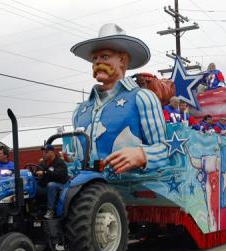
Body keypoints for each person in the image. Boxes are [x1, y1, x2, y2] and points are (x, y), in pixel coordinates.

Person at [70, 23, 168, 174]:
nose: (97, 62)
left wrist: (142, 154)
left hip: (133, 191)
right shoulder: (80, 110)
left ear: (122, 59)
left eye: (105, 56)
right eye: (94, 58)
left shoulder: (142, 98)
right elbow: (74, 157)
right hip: (89, 193)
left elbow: (165, 150)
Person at [35, 144, 69, 219]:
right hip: (45, 185)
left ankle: (51, 211)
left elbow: (58, 175)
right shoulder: (43, 163)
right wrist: (35, 173)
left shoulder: (60, 163)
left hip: (61, 186)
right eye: (43, 152)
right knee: (32, 186)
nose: (44, 154)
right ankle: (34, 209)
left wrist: (44, 173)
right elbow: (37, 171)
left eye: (46, 152)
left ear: (52, 152)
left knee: (51, 185)